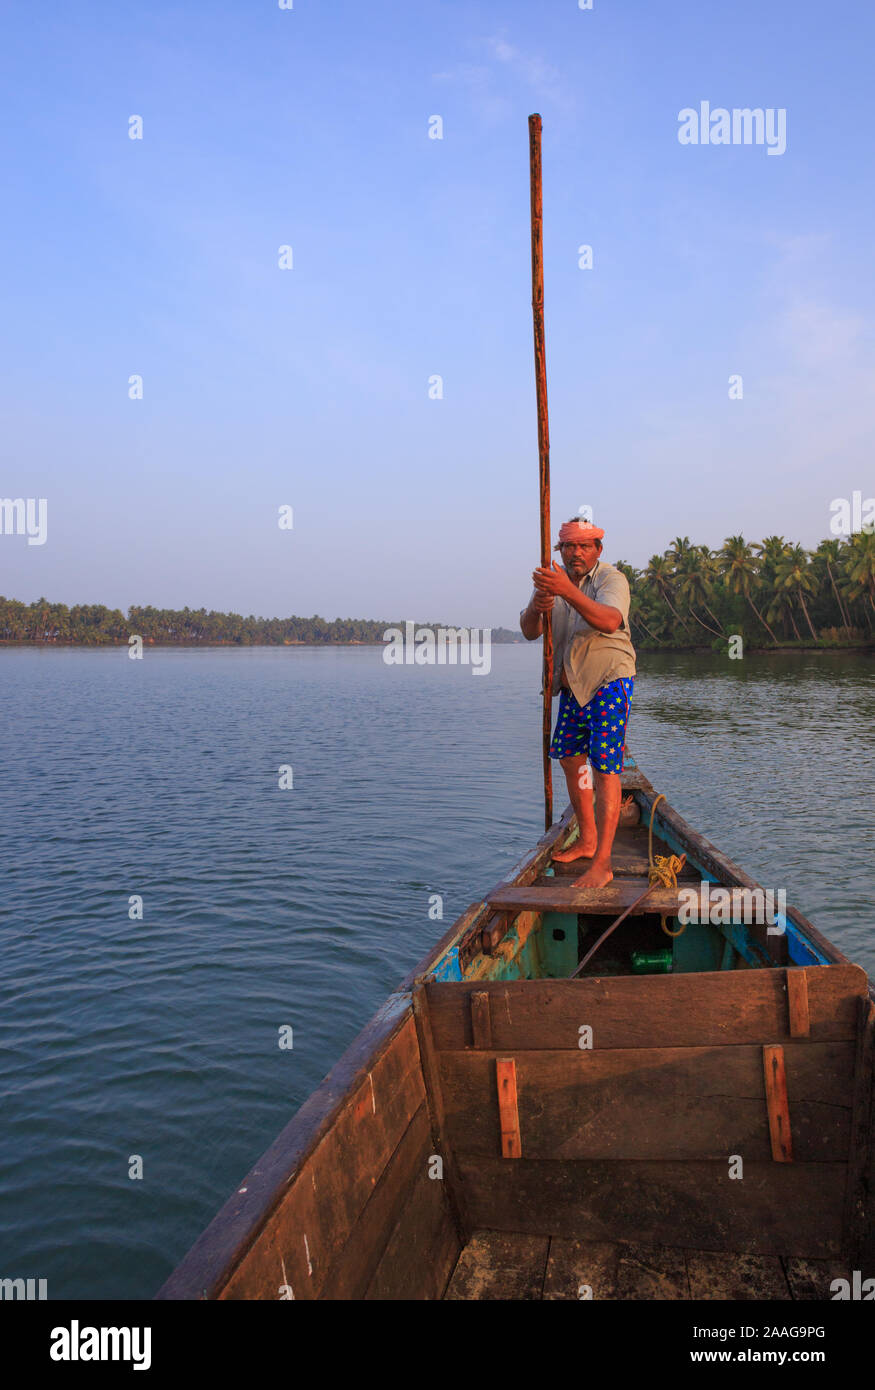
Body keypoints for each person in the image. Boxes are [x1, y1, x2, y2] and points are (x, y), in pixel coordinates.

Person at [520, 518, 636, 888]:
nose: (576, 553)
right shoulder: (552, 581)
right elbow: (529, 630)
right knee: (571, 758)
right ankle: (587, 839)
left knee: (605, 768)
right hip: (573, 685)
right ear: (561, 551)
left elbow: (609, 620)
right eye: (569, 547)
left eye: (584, 547)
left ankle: (603, 862)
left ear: (598, 550)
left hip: (608, 680)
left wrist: (566, 591)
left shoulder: (610, 580)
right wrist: (539, 604)